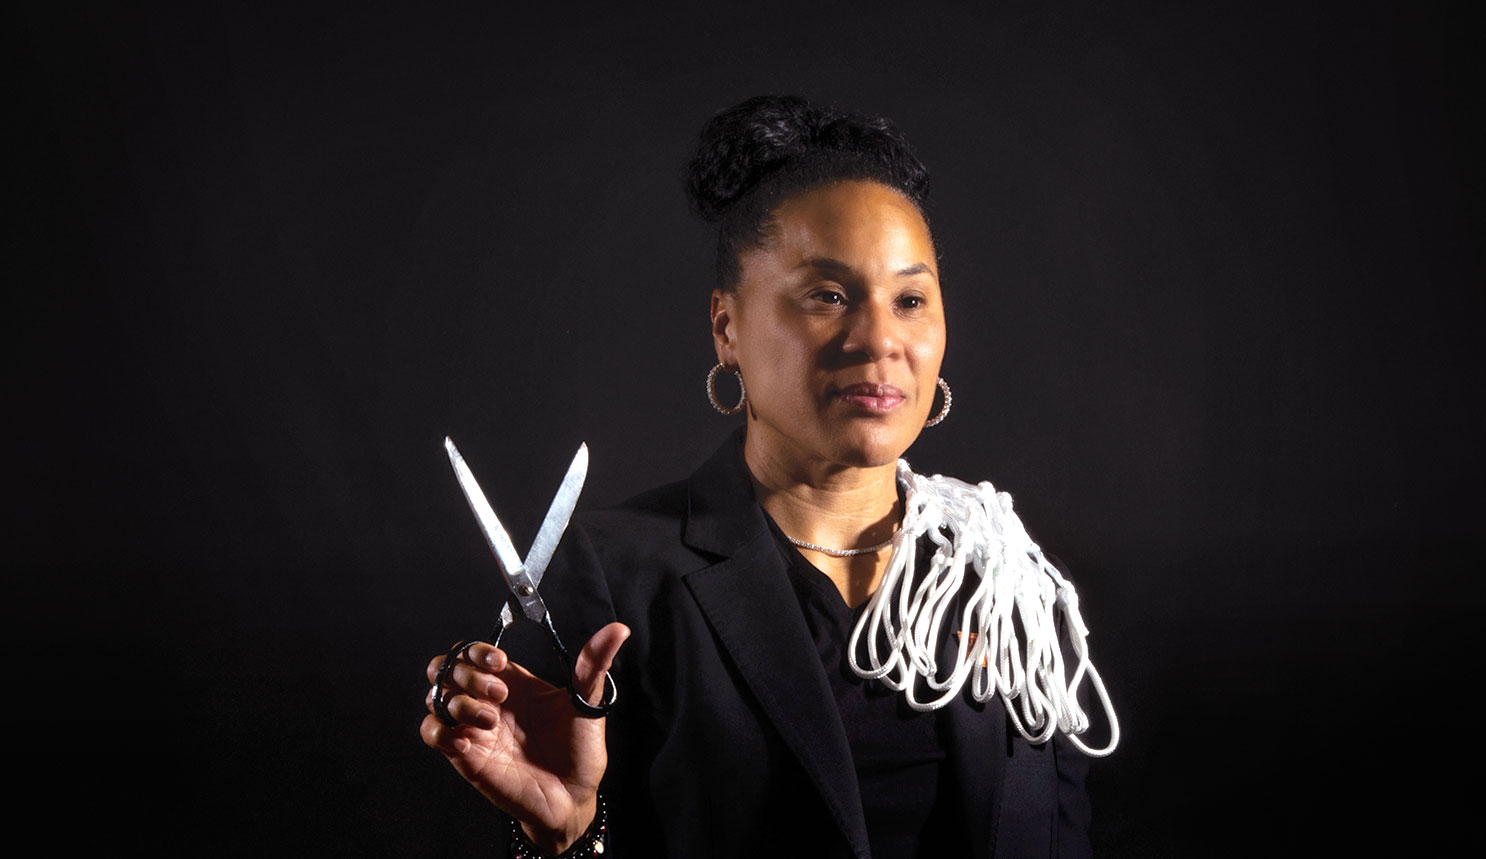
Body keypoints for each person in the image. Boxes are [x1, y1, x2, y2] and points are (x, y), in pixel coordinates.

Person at [422, 95, 1110, 858]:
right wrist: (567, 836)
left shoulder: (1007, 579)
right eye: (828, 296)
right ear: (727, 328)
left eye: (910, 299)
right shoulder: (615, 579)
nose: (880, 338)